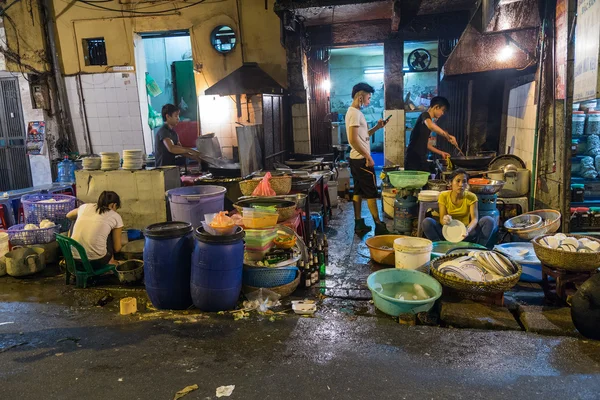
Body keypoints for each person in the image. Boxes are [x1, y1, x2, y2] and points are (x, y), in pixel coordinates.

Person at [346, 82, 390, 235]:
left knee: (357, 190)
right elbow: (353, 140)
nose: (369, 101)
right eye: (368, 98)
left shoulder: (354, 112)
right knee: (371, 192)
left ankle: (359, 223)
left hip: (355, 159)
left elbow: (362, 137)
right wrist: (367, 156)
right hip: (361, 160)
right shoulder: (355, 113)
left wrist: (377, 127)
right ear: (360, 97)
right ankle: (379, 225)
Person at [422, 169, 498, 247]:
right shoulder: (443, 196)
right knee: (427, 222)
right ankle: (440, 246)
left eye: (464, 181)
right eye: (458, 181)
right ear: (450, 182)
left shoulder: (471, 197)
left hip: (465, 234)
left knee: (489, 220)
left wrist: (467, 230)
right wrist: (445, 220)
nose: (461, 184)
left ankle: (478, 248)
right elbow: (442, 218)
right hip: (448, 232)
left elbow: (474, 219)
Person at [67, 191, 124, 267]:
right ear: (114, 205)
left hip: (73, 260)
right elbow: (117, 249)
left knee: (75, 220)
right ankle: (111, 261)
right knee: (108, 231)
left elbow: (68, 215)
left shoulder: (85, 207)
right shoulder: (115, 216)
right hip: (95, 261)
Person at [405, 96, 458, 172]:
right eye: (442, 110)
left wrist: (441, 152)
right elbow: (431, 126)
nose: (442, 113)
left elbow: (425, 144)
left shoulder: (427, 121)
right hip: (413, 159)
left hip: (420, 159)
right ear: (436, 107)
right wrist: (448, 136)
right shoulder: (425, 115)